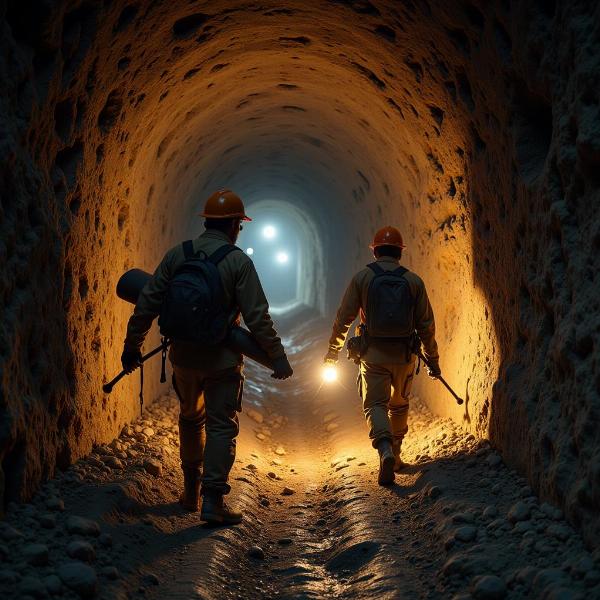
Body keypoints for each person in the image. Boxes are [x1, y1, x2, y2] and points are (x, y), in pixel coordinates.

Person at [121, 189, 293, 524]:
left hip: (183, 357)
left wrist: (132, 347)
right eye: (239, 226)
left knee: (189, 418)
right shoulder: (238, 261)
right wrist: (278, 357)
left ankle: (189, 492)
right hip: (222, 361)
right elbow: (258, 317)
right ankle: (212, 500)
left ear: (206, 222)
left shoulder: (178, 254)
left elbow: (147, 304)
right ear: (233, 226)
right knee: (220, 426)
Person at [324, 226, 440, 485]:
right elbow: (426, 325)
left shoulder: (362, 278)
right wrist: (433, 359)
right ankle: (397, 456)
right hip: (404, 356)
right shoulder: (413, 281)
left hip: (373, 355)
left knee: (375, 404)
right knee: (399, 405)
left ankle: (385, 448)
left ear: (375, 250)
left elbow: (344, 317)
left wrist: (333, 350)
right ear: (400, 252)